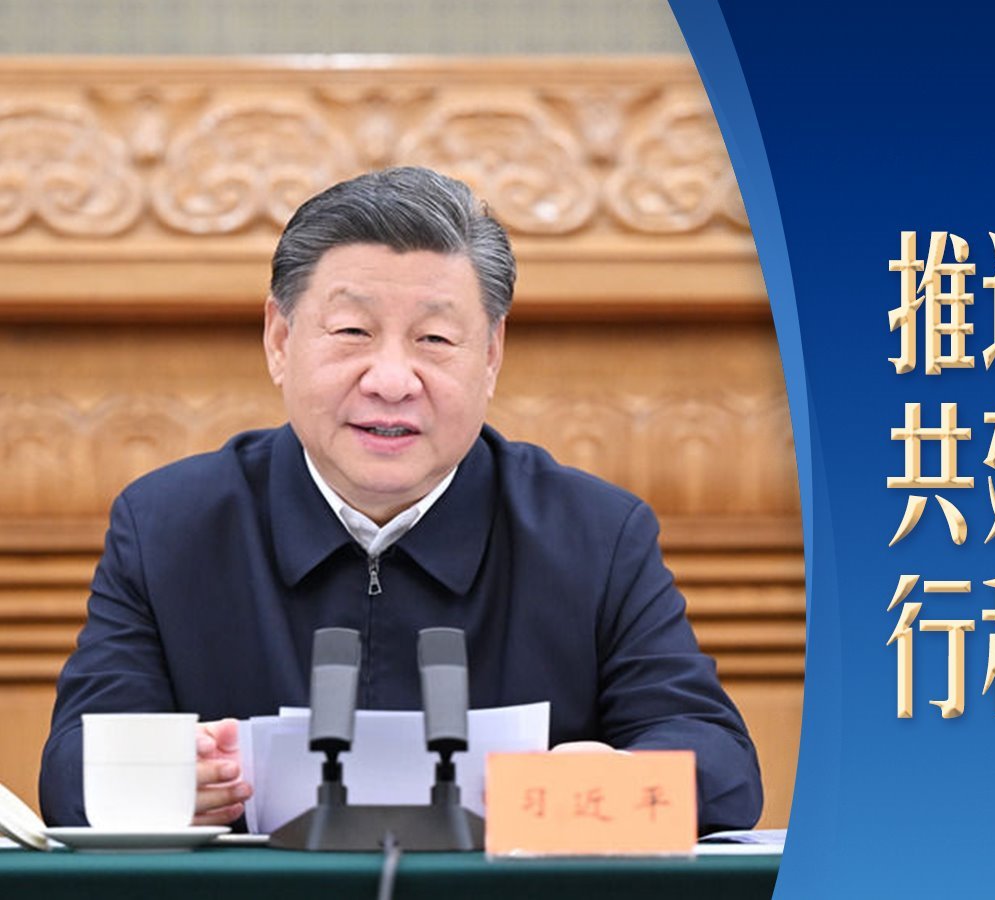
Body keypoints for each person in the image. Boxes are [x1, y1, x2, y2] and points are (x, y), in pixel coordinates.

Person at [38, 166, 762, 833]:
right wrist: (163, 779)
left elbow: (720, 767)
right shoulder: (171, 526)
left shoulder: (594, 535)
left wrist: (608, 784)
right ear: (280, 340)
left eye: (435, 338)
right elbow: (71, 770)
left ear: (490, 356)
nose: (391, 380)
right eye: (352, 332)